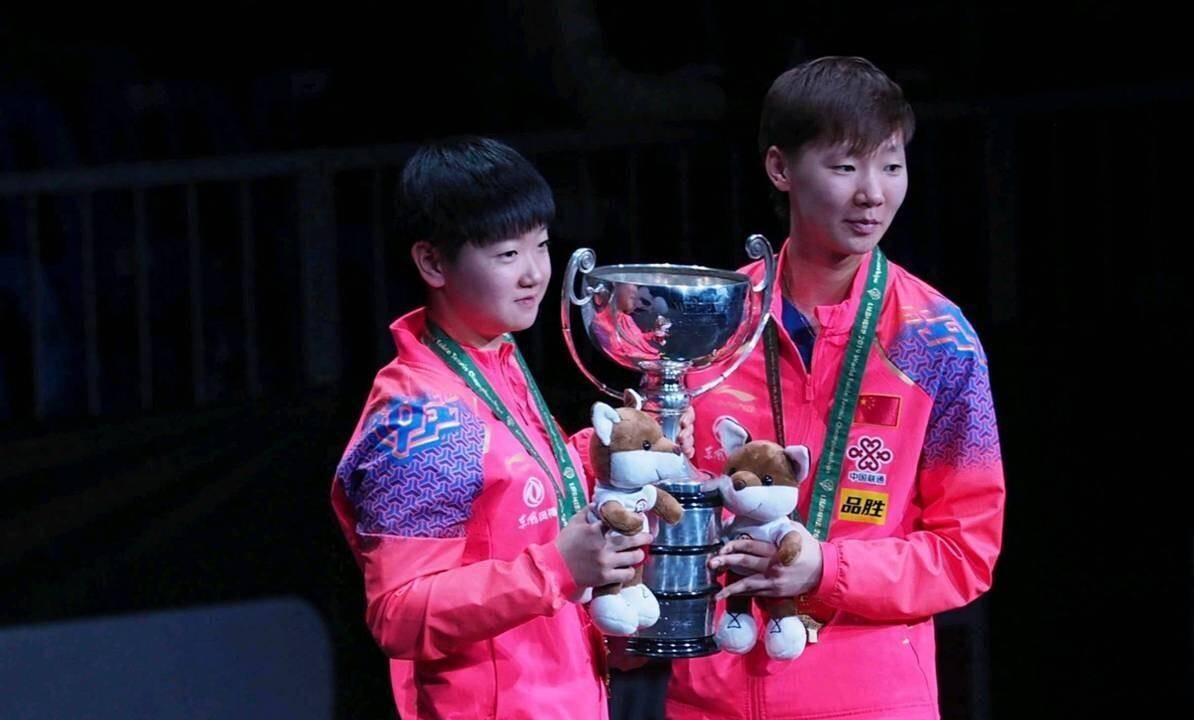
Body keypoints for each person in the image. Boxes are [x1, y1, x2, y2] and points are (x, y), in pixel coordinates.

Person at [668, 56, 1006, 719]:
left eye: (891, 166)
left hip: (870, 698)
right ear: (780, 168)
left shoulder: (937, 341)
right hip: (707, 696)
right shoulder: (711, 323)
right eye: (845, 167)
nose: (872, 193)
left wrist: (824, 569)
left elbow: (967, 550)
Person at [330, 136, 653, 719]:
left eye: (541, 245)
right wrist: (557, 568)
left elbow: (513, 497)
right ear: (433, 263)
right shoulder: (422, 416)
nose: (534, 274)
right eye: (507, 254)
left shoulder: (496, 357)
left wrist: (605, 452)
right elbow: (398, 614)